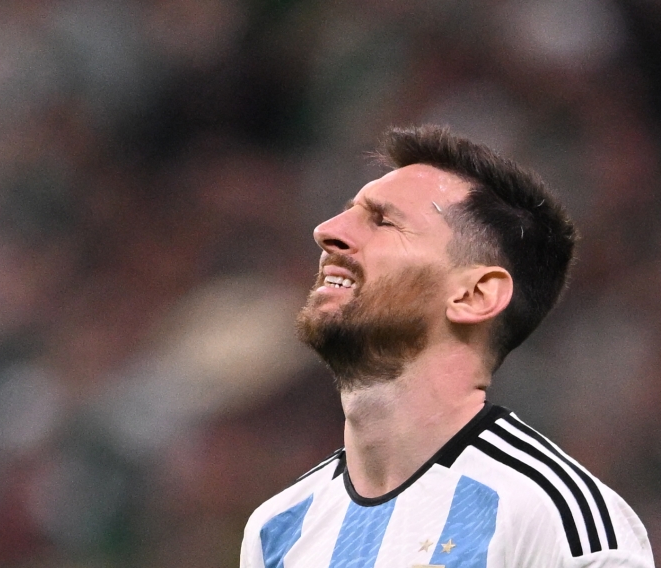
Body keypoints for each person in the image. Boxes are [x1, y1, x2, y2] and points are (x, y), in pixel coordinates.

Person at [239, 126, 654, 568]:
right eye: (345, 213)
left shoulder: (553, 518)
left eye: (383, 221)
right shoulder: (277, 528)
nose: (326, 231)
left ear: (474, 295)